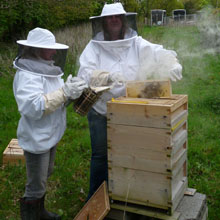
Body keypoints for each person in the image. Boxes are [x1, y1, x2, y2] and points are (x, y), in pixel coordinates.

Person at [77, 2, 183, 200]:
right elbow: (84, 74)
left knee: (128, 152)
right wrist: (106, 76)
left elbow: (157, 51)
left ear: (124, 20)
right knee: (101, 156)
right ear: (103, 22)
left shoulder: (136, 42)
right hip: (101, 109)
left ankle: (125, 194)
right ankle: (96, 198)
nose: (114, 20)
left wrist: (172, 62)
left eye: (118, 17)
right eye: (110, 17)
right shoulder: (94, 47)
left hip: (130, 109)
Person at [13, 27, 88, 220]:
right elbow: (34, 106)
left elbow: (55, 99)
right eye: (49, 48)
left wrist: (71, 92)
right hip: (37, 137)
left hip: (50, 133)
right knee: (36, 184)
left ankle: (40, 212)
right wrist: (64, 93)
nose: (54, 52)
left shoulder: (48, 68)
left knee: (46, 173)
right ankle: (32, 215)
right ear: (36, 49)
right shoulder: (27, 75)